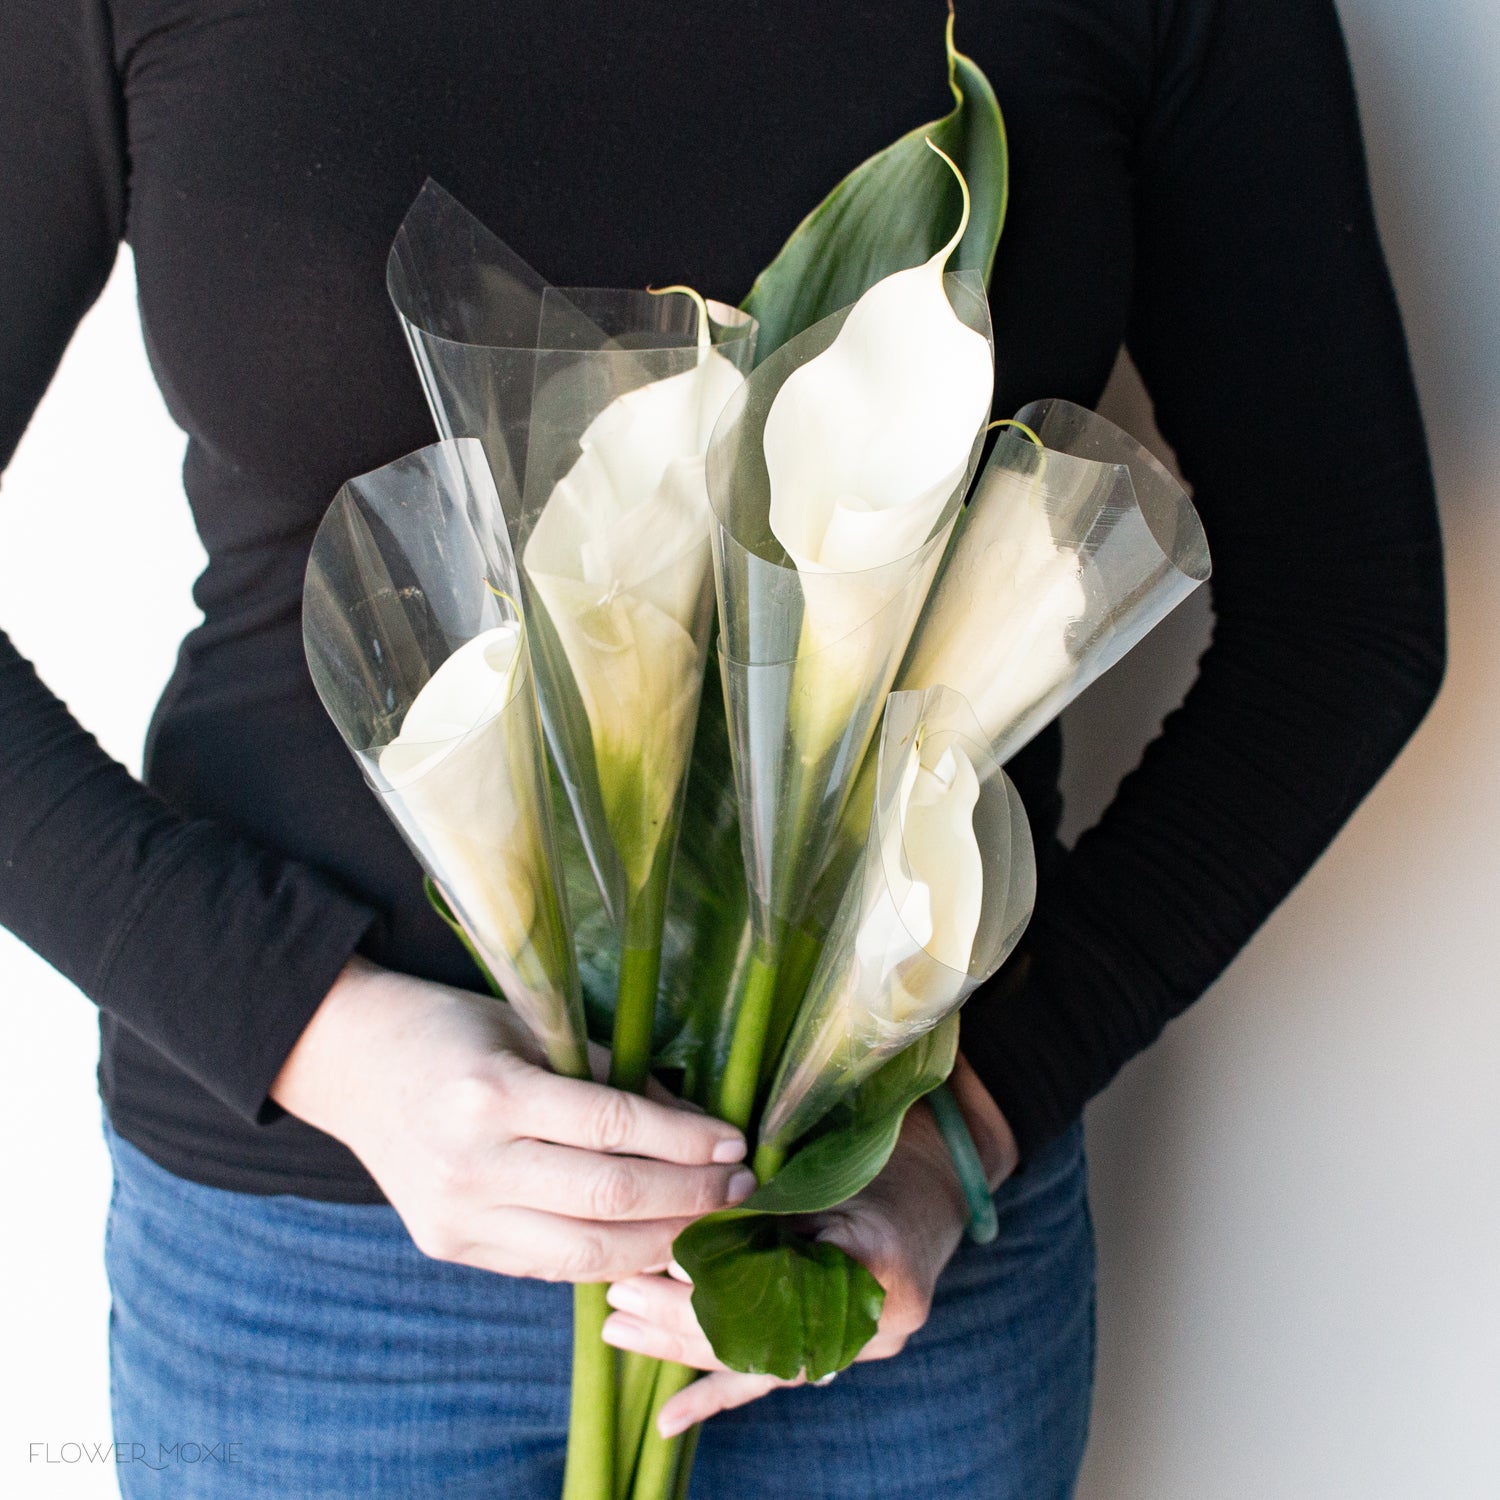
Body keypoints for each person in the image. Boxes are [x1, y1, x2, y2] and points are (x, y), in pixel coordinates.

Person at [0, 1, 1444, 1496]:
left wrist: (967, 1123)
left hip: (885, 1296)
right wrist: (322, 1038)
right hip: (321, 1277)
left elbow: (1353, 615)